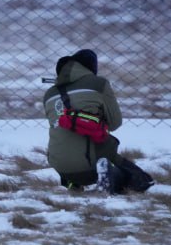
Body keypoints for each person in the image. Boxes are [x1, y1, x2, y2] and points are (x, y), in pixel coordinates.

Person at [42, 48, 153, 194]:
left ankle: (72, 184)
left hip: (59, 165)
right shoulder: (99, 84)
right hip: (89, 164)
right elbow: (115, 123)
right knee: (118, 166)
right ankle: (108, 177)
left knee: (66, 138)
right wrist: (94, 120)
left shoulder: (49, 94)